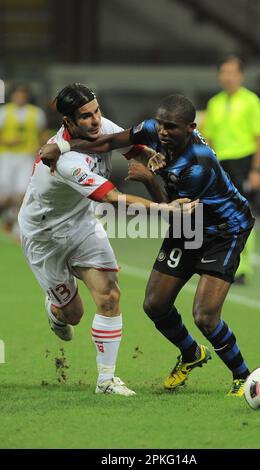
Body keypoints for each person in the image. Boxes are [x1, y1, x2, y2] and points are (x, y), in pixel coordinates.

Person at [41, 93, 255, 397]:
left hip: (223, 230)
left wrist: (148, 177)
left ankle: (243, 377)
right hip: (188, 225)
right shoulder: (153, 129)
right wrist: (61, 146)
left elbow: (172, 207)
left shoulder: (198, 166)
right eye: (162, 125)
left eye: (172, 128)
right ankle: (192, 354)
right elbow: (108, 142)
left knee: (205, 316)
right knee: (155, 304)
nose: (163, 132)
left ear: (191, 128)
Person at [19, 84, 192, 397]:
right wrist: (165, 208)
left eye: (96, 111)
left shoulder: (102, 127)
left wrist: (156, 159)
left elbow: (133, 148)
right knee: (73, 314)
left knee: (110, 294)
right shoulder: (65, 162)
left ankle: (107, 381)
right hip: (44, 236)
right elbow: (113, 198)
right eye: (86, 116)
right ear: (68, 123)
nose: (96, 120)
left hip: (81, 223)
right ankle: (56, 309)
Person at [203, 56, 260, 284]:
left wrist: (257, 169)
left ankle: (243, 268)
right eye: (224, 72)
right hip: (220, 165)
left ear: (241, 75)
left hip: (243, 162)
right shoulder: (214, 103)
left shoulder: (252, 102)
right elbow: (208, 139)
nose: (227, 77)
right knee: (219, 213)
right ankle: (221, 261)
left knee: (242, 214)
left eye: (232, 72)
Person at [0, 84, 47, 237]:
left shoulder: (37, 113)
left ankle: (17, 227)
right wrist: (7, 142)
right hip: (6, 156)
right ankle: (8, 214)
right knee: (6, 196)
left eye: (23, 95)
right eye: (17, 95)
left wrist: (41, 147)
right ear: (12, 96)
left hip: (26, 157)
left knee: (22, 192)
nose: (20, 98)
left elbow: (42, 135)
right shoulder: (4, 112)